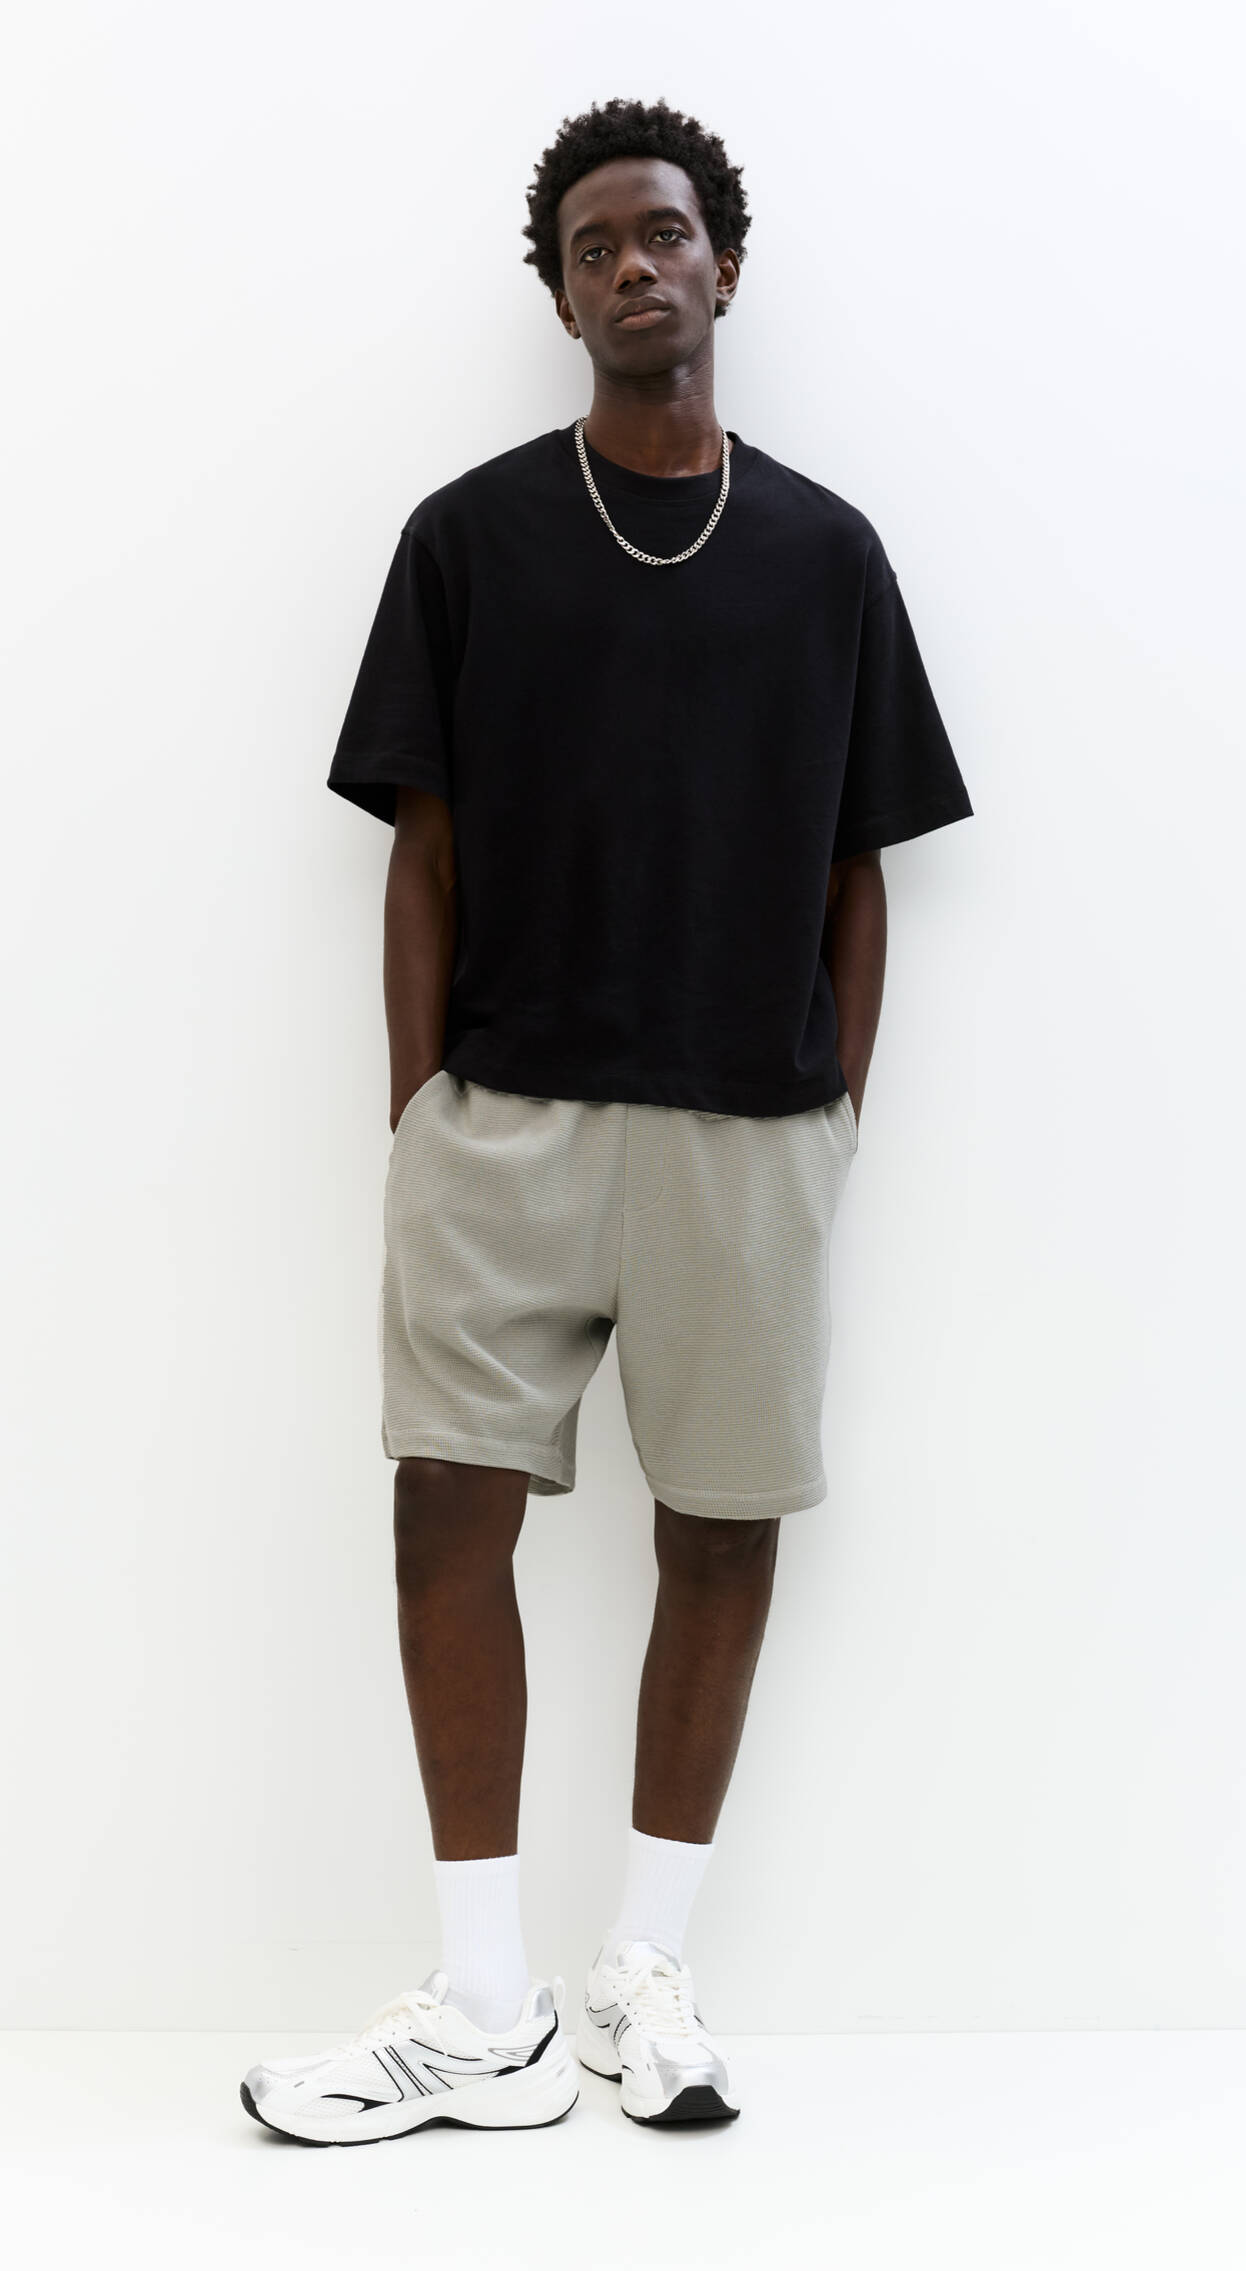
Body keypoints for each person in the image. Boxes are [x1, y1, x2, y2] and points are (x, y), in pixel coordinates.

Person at [241, 95, 972, 2146]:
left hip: (748, 1129)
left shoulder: (824, 554)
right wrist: (419, 1117)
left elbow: (857, 869)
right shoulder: (467, 538)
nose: (632, 266)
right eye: (591, 248)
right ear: (559, 297)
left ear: (722, 263)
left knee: (719, 1527)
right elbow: (419, 848)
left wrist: (827, 1126)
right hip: (505, 1120)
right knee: (442, 1509)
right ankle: (483, 2006)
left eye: (661, 233)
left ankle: (643, 1972)